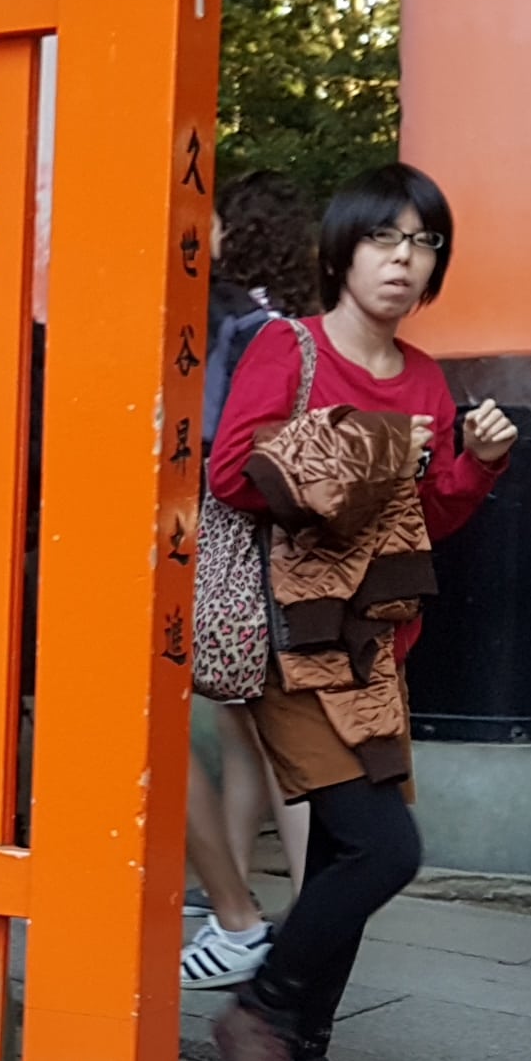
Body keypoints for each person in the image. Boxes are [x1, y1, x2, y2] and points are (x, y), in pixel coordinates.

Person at [204, 164, 518, 1061]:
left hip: (373, 647)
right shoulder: (286, 347)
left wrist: (475, 466)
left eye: (423, 244)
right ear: (344, 250)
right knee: (387, 849)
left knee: (345, 849)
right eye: (387, 238)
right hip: (292, 640)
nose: (404, 259)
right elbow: (232, 471)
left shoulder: (425, 376)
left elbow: (419, 518)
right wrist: (377, 446)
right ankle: (259, 1017)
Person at [185, 170, 319, 989]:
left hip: (230, 532)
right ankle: (249, 913)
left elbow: (213, 440)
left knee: (271, 735)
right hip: (292, 537)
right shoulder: (299, 322)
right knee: (256, 729)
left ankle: (286, 919)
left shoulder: (231, 320)